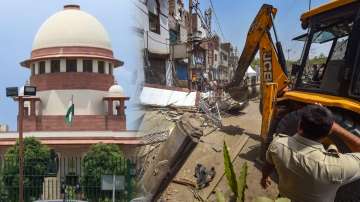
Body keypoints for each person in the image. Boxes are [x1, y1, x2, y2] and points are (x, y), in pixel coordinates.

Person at [261, 104, 360, 202]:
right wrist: (336, 127)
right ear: (330, 132)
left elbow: (268, 165)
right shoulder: (338, 167)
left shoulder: (277, 144)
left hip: (284, 198)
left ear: (299, 124)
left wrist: (264, 177)